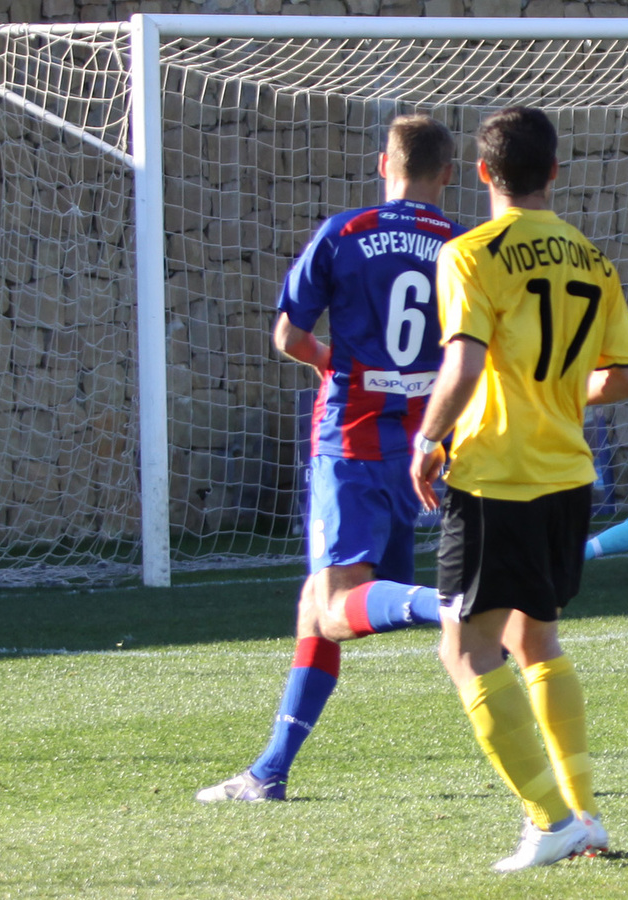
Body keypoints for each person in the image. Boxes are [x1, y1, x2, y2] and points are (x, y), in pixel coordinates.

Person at [197, 114, 460, 804]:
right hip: (424, 447)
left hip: (350, 442)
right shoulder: (462, 245)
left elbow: (289, 336)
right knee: (323, 605)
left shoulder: (345, 232)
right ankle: (269, 771)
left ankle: (448, 604)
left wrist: (327, 361)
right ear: (448, 174)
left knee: (334, 607)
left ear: (383, 165)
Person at [410, 106, 628, 873]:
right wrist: (565, 393)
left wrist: (428, 439)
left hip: (496, 475)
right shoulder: (593, 259)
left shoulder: (470, 254)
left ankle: (550, 822)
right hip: (568, 475)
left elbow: (464, 365)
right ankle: (583, 811)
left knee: (466, 651)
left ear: (484, 173)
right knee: (535, 639)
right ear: (554, 172)